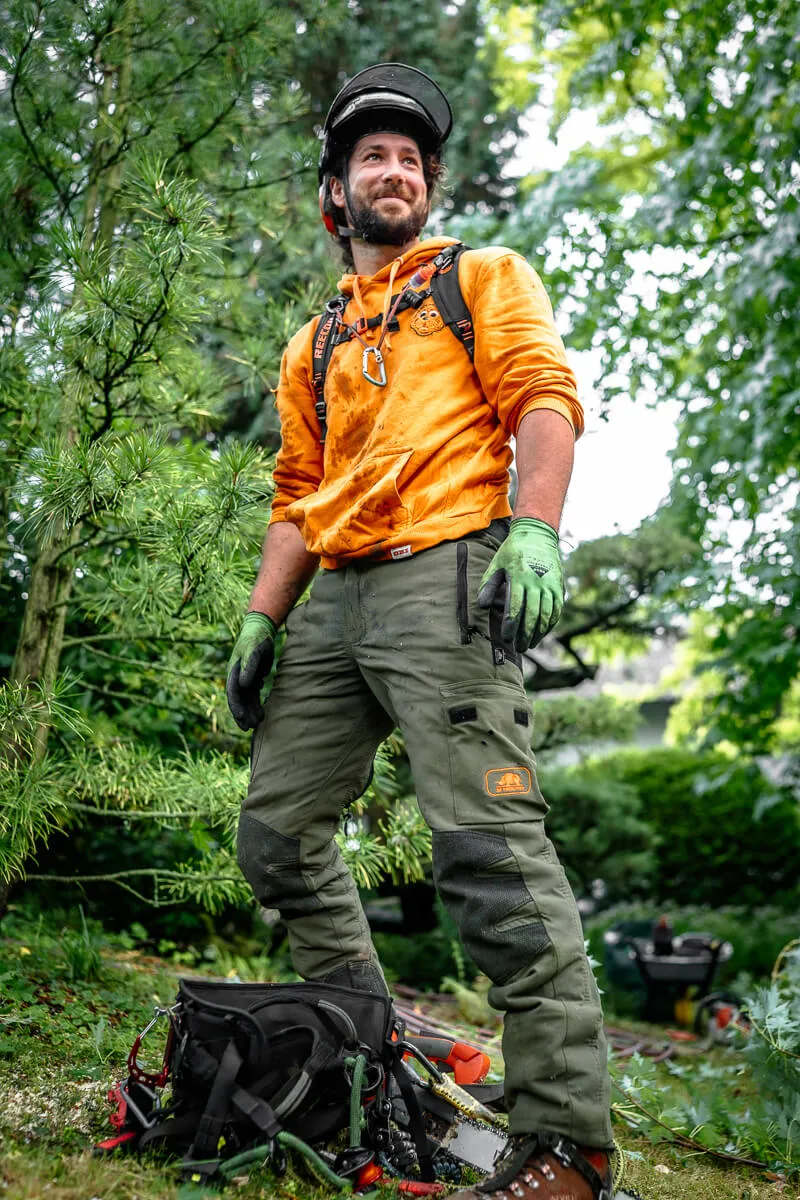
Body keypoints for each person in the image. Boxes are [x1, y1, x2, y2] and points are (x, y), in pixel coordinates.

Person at [227, 63, 614, 1200]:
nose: (393, 170)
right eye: (370, 159)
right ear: (331, 196)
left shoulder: (477, 278)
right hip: (335, 592)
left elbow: (542, 396)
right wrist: (261, 618)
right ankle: (365, 1045)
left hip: (447, 575)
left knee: (487, 852)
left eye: (409, 159)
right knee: (275, 833)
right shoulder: (312, 345)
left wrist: (534, 532)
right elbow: (297, 493)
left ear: (427, 186)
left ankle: (566, 1142)